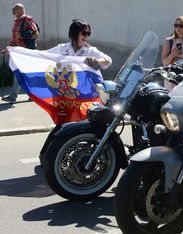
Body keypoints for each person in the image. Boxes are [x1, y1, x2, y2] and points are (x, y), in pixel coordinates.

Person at [37, 18, 112, 165]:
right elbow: (42, 55)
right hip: (65, 94)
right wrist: (15, 51)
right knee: (63, 123)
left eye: (88, 33)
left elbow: (108, 60)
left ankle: (75, 154)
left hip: (85, 96)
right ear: (74, 34)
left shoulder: (90, 50)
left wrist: (97, 61)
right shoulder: (62, 49)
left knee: (85, 124)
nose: (86, 36)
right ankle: (45, 154)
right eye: (83, 33)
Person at [3, 3, 39, 103]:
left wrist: (23, 36)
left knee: (20, 72)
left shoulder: (27, 19)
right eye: (17, 10)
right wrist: (9, 47)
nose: (20, 11)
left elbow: (36, 33)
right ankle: (31, 95)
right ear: (14, 12)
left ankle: (14, 96)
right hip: (18, 52)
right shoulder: (16, 22)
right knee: (20, 72)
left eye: (21, 9)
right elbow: (14, 39)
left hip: (26, 51)